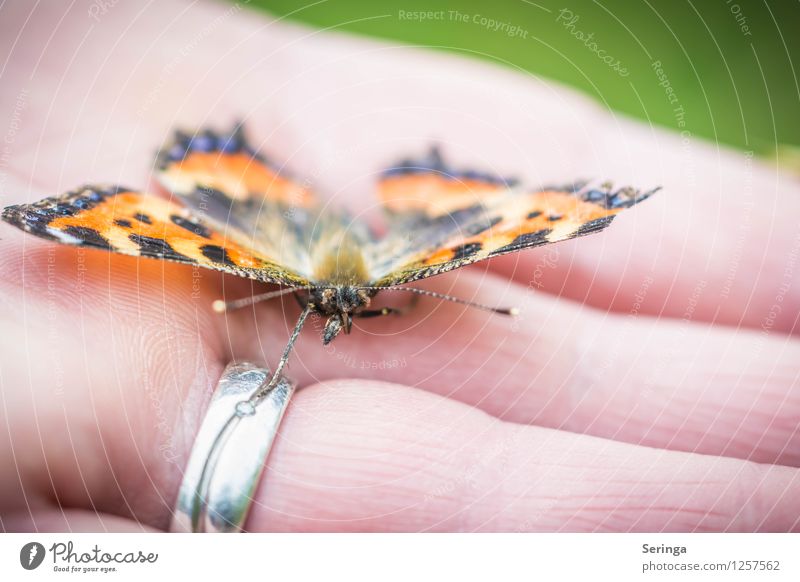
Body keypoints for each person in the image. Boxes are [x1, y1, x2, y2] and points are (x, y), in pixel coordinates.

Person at [0, 1, 797, 532]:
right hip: (317, 245)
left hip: (305, 235)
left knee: (213, 240)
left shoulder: (353, 282)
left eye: (341, 312)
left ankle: (227, 173)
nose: (339, 319)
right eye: (337, 313)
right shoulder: (333, 283)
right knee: (181, 247)